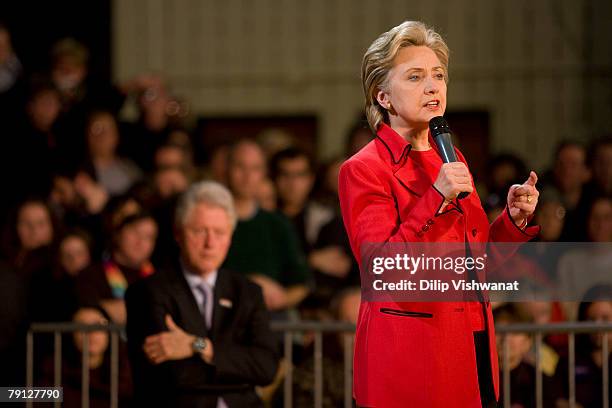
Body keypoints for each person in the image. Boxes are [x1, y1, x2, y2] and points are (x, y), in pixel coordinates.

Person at [338, 21, 541, 407]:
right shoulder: (363, 169)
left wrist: (512, 222)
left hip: (471, 346)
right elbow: (381, 269)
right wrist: (435, 197)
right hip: (412, 359)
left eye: (439, 75)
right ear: (383, 96)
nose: (433, 86)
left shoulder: (449, 156)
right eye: (415, 77)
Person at [125, 181, 278, 407]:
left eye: (219, 232)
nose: (210, 243)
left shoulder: (247, 292)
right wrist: (238, 370)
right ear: (178, 233)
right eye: (199, 231)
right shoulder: (149, 292)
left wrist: (197, 345)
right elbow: (173, 375)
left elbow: (266, 367)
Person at [222, 139, 311, 313]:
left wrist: (280, 298)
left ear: (263, 173)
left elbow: (302, 283)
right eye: (240, 167)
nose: (247, 176)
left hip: (269, 322)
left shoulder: (278, 224)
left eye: (255, 168)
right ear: (227, 169)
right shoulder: (210, 221)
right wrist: (250, 286)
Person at [77, 212, 158, 324]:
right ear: (118, 234)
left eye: (149, 237)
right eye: (135, 232)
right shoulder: (91, 275)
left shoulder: (158, 278)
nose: (140, 241)